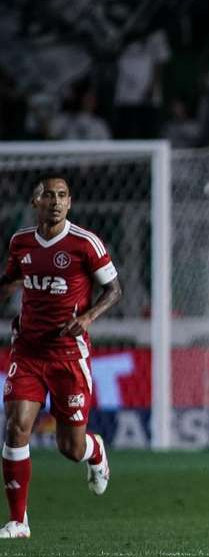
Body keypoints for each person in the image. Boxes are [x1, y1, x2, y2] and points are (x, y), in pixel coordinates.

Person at [0, 176, 123, 538]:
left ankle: (95, 451)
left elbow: (114, 289)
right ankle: (18, 521)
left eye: (62, 196)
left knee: (70, 447)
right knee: (16, 426)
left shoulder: (85, 244)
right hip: (28, 350)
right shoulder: (20, 242)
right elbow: (12, 279)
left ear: (69, 203)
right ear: (35, 203)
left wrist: (87, 317)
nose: (55, 202)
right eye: (48, 196)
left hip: (68, 355)